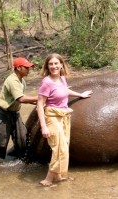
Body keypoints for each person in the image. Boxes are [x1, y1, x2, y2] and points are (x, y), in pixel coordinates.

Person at [37, 53, 93, 186]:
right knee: (59, 148)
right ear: (47, 66)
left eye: (56, 63)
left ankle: (59, 175)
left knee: (64, 146)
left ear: (61, 64)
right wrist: (44, 126)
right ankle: (48, 179)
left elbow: (65, 91)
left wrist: (81, 94)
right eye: (51, 64)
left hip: (64, 116)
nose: (54, 66)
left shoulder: (62, 79)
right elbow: (40, 104)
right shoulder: (46, 82)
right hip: (52, 116)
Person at [0, 57, 38, 163]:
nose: (28, 69)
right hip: (4, 114)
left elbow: (21, 96)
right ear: (19, 68)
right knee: (0, 143)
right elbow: (20, 98)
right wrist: (41, 98)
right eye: (26, 67)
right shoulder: (12, 80)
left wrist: (35, 102)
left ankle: (21, 161)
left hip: (15, 113)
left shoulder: (22, 81)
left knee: (22, 138)